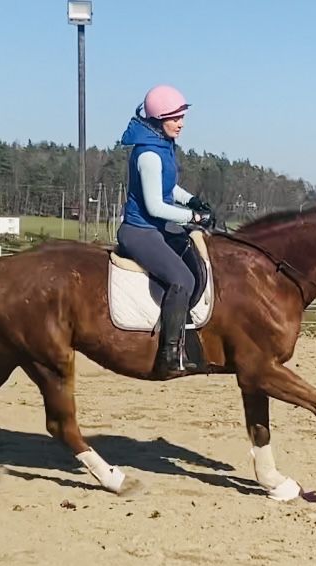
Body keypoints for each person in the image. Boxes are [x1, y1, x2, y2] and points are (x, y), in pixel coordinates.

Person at [117, 84, 214, 378]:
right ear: (159, 119)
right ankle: (170, 353)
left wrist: (191, 199)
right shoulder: (149, 154)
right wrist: (193, 216)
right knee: (181, 278)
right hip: (140, 231)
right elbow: (156, 205)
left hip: (158, 227)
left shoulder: (163, 145)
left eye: (182, 117)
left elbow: (168, 187)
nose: (181, 123)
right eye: (175, 118)